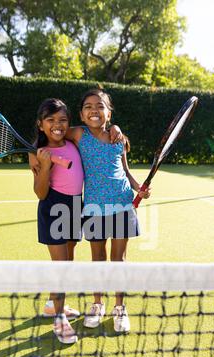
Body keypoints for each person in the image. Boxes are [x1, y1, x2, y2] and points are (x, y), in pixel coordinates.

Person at [64, 88, 151, 334]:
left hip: (122, 204)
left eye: (100, 106)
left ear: (108, 112)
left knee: (119, 260)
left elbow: (124, 170)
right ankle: (97, 304)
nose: (94, 110)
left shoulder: (118, 139)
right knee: (97, 259)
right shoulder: (79, 134)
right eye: (89, 106)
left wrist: (139, 188)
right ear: (81, 114)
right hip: (94, 207)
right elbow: (53, 133)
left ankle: (120, 308)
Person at [30, 98, 84, 345]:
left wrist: (114, 129)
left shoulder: (73, 141)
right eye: (50, 120)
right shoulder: (36, 153)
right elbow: (40, 193)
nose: (57, 125)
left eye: (62, 119)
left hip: (75, 205)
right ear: (40, 125)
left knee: (69, 260)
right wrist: (45, 166)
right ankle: (60, 319)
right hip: (53, 207)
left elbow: (94, 131)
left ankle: (53, 305)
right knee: (60, 266)